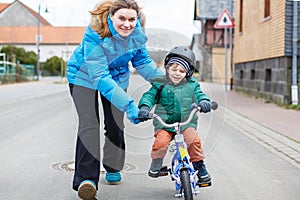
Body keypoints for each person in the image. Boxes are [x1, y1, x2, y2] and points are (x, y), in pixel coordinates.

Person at [66, 0, 163, 199]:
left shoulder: (136, 34)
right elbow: (100, 76)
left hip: (117, 77)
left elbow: (142, 61)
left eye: (132, 19)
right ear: (111, 17)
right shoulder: (94, 33)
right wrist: (129, 105)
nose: (127, 24)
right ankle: (87, 180)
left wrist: (165, 84)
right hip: (83, 77)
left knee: (115, 123)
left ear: (137, 20)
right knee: (89, 124)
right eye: (122, 18)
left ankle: (113, 166)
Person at [137, 46, 212, 187]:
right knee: (161, 142)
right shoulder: (160, 83)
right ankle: (157, 165)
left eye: (181, 71)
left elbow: (200, 95)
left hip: (186, 123)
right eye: (174, 69)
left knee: (193, 140)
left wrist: (204, 102)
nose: (177, 73)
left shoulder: (192, 85)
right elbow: (149, 96)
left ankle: (199, 166)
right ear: (167, 69)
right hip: (165, 123)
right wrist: (144, 108)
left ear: (188, 73)